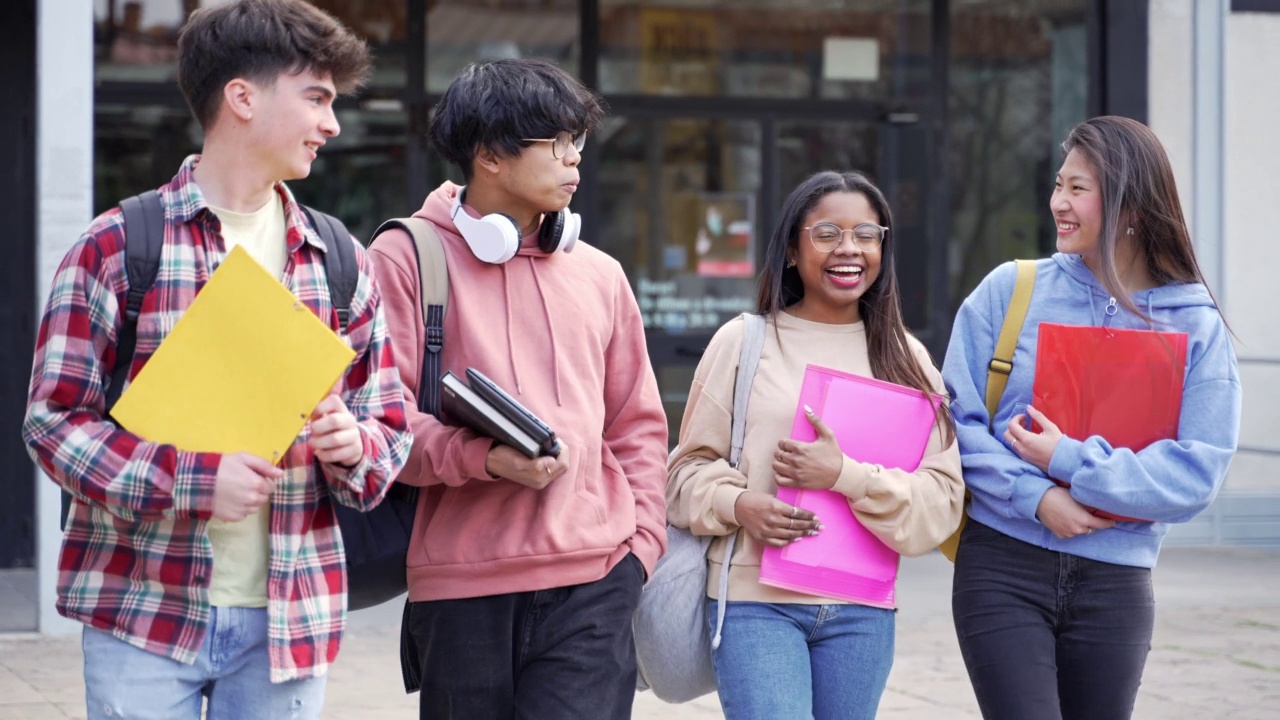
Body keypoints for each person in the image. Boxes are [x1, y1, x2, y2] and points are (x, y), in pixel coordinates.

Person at [21, 1, 413, 718]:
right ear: (242, 96)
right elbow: (53, 426)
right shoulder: (117, 248)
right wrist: (191, 479)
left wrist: (353, 444)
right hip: (141, 612)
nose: (331, 124)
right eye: (317, 98)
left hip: (289, 622)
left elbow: (389, 428)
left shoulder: (340, 263)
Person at [367, 58, 668, 720]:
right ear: (489, 156)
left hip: (597, 580)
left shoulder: (601, 273)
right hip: (461, 590)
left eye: (578, 143)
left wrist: (639, 550)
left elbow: (637, 426)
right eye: (554, 143)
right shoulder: (405, 258)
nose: (574, 161)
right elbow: (378, 427)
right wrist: (482, 458)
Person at [943, 116, 1242, 720]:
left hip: (1117, 577)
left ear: (1130, 202)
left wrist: (1069, 462)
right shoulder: (1011, 291)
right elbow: (952, 423)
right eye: (1059, 185)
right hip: (1003, 562)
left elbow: (1198, 471)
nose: (1058, 202)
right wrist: (1035, 496)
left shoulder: (1196, 324)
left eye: (1077, 189)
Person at [666, 170, 965, 720]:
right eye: (827, 233)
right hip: (757, 605)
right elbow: (683, 474)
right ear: (791, 250)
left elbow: (942, 503)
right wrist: (740, 505)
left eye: (866, 234)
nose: (848, 249)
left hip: (863, 609)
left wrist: (843, 475)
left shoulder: (908, 361)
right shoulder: (744, 342)